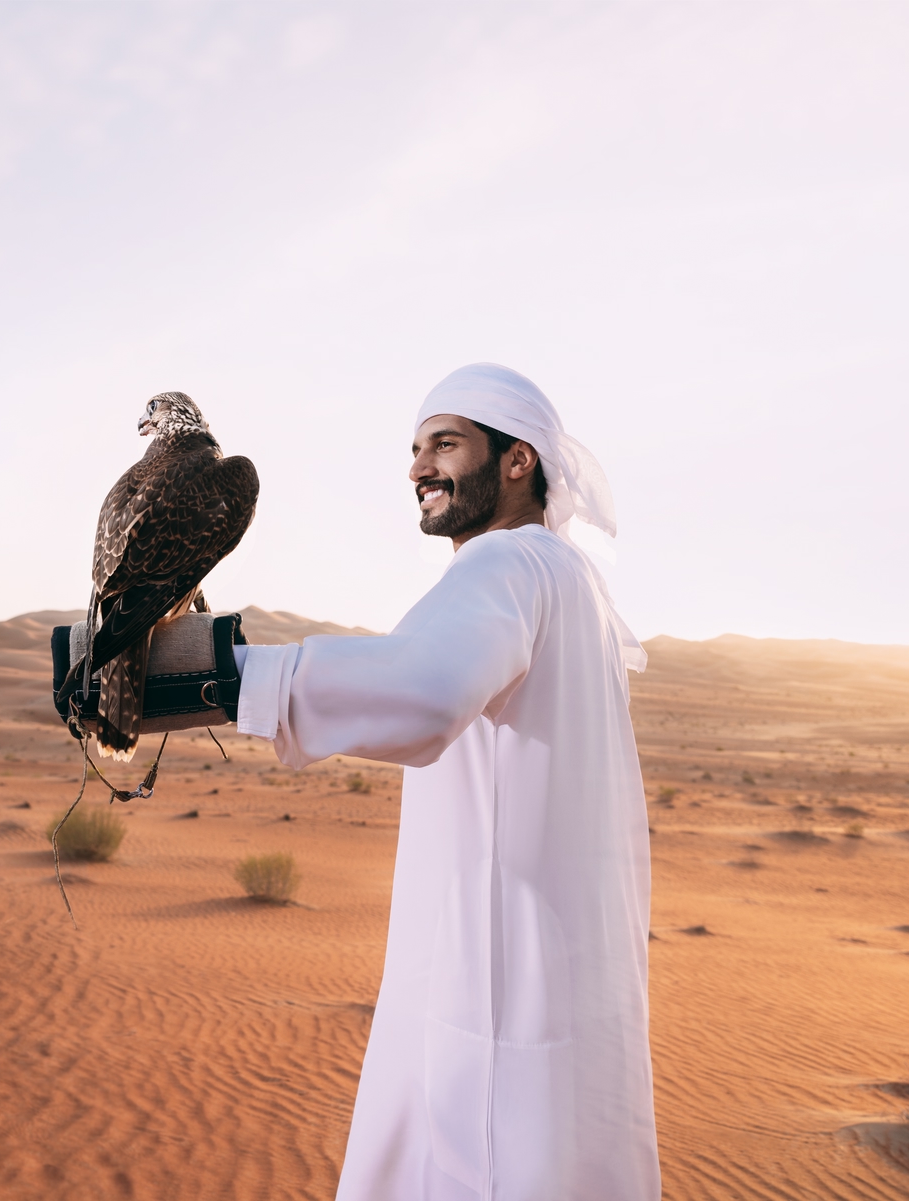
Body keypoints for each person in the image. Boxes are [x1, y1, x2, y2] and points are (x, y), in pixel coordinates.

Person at [233, 364, 659, 1199]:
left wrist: (223, 679)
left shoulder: (508, 566)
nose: (418, 467)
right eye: (416, 449)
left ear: (517, 460)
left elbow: (423, 688)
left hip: (492, 994)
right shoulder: (577, 589)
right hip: (564, 990)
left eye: (445, 444)